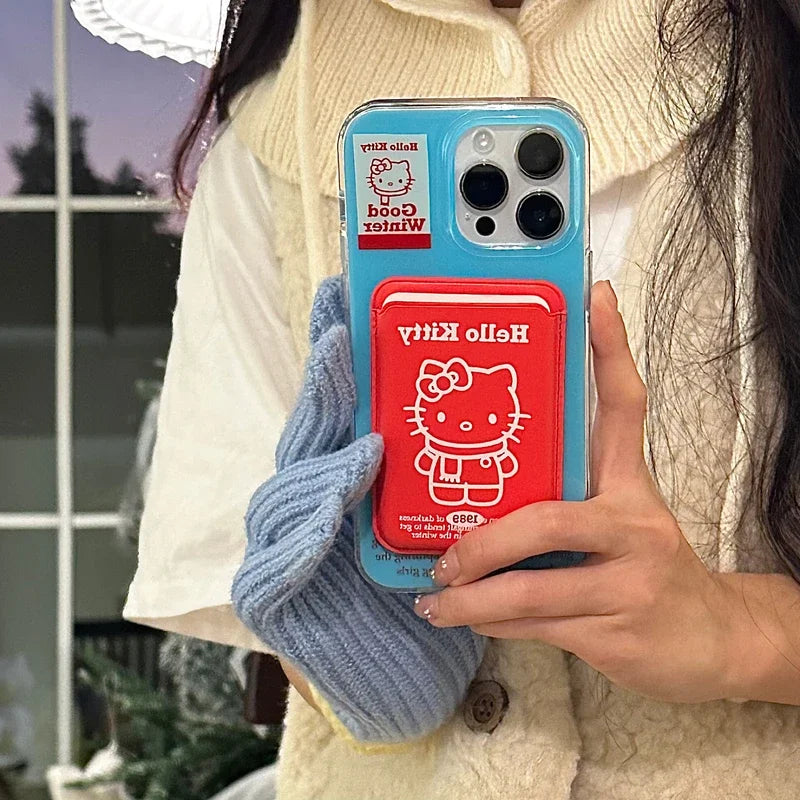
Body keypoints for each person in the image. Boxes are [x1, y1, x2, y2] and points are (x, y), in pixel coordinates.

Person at [123, 0, 800, 797]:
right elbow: (280, 638)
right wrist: (367, 656)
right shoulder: (267, 149)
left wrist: (737, 633)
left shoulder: (771, 90)